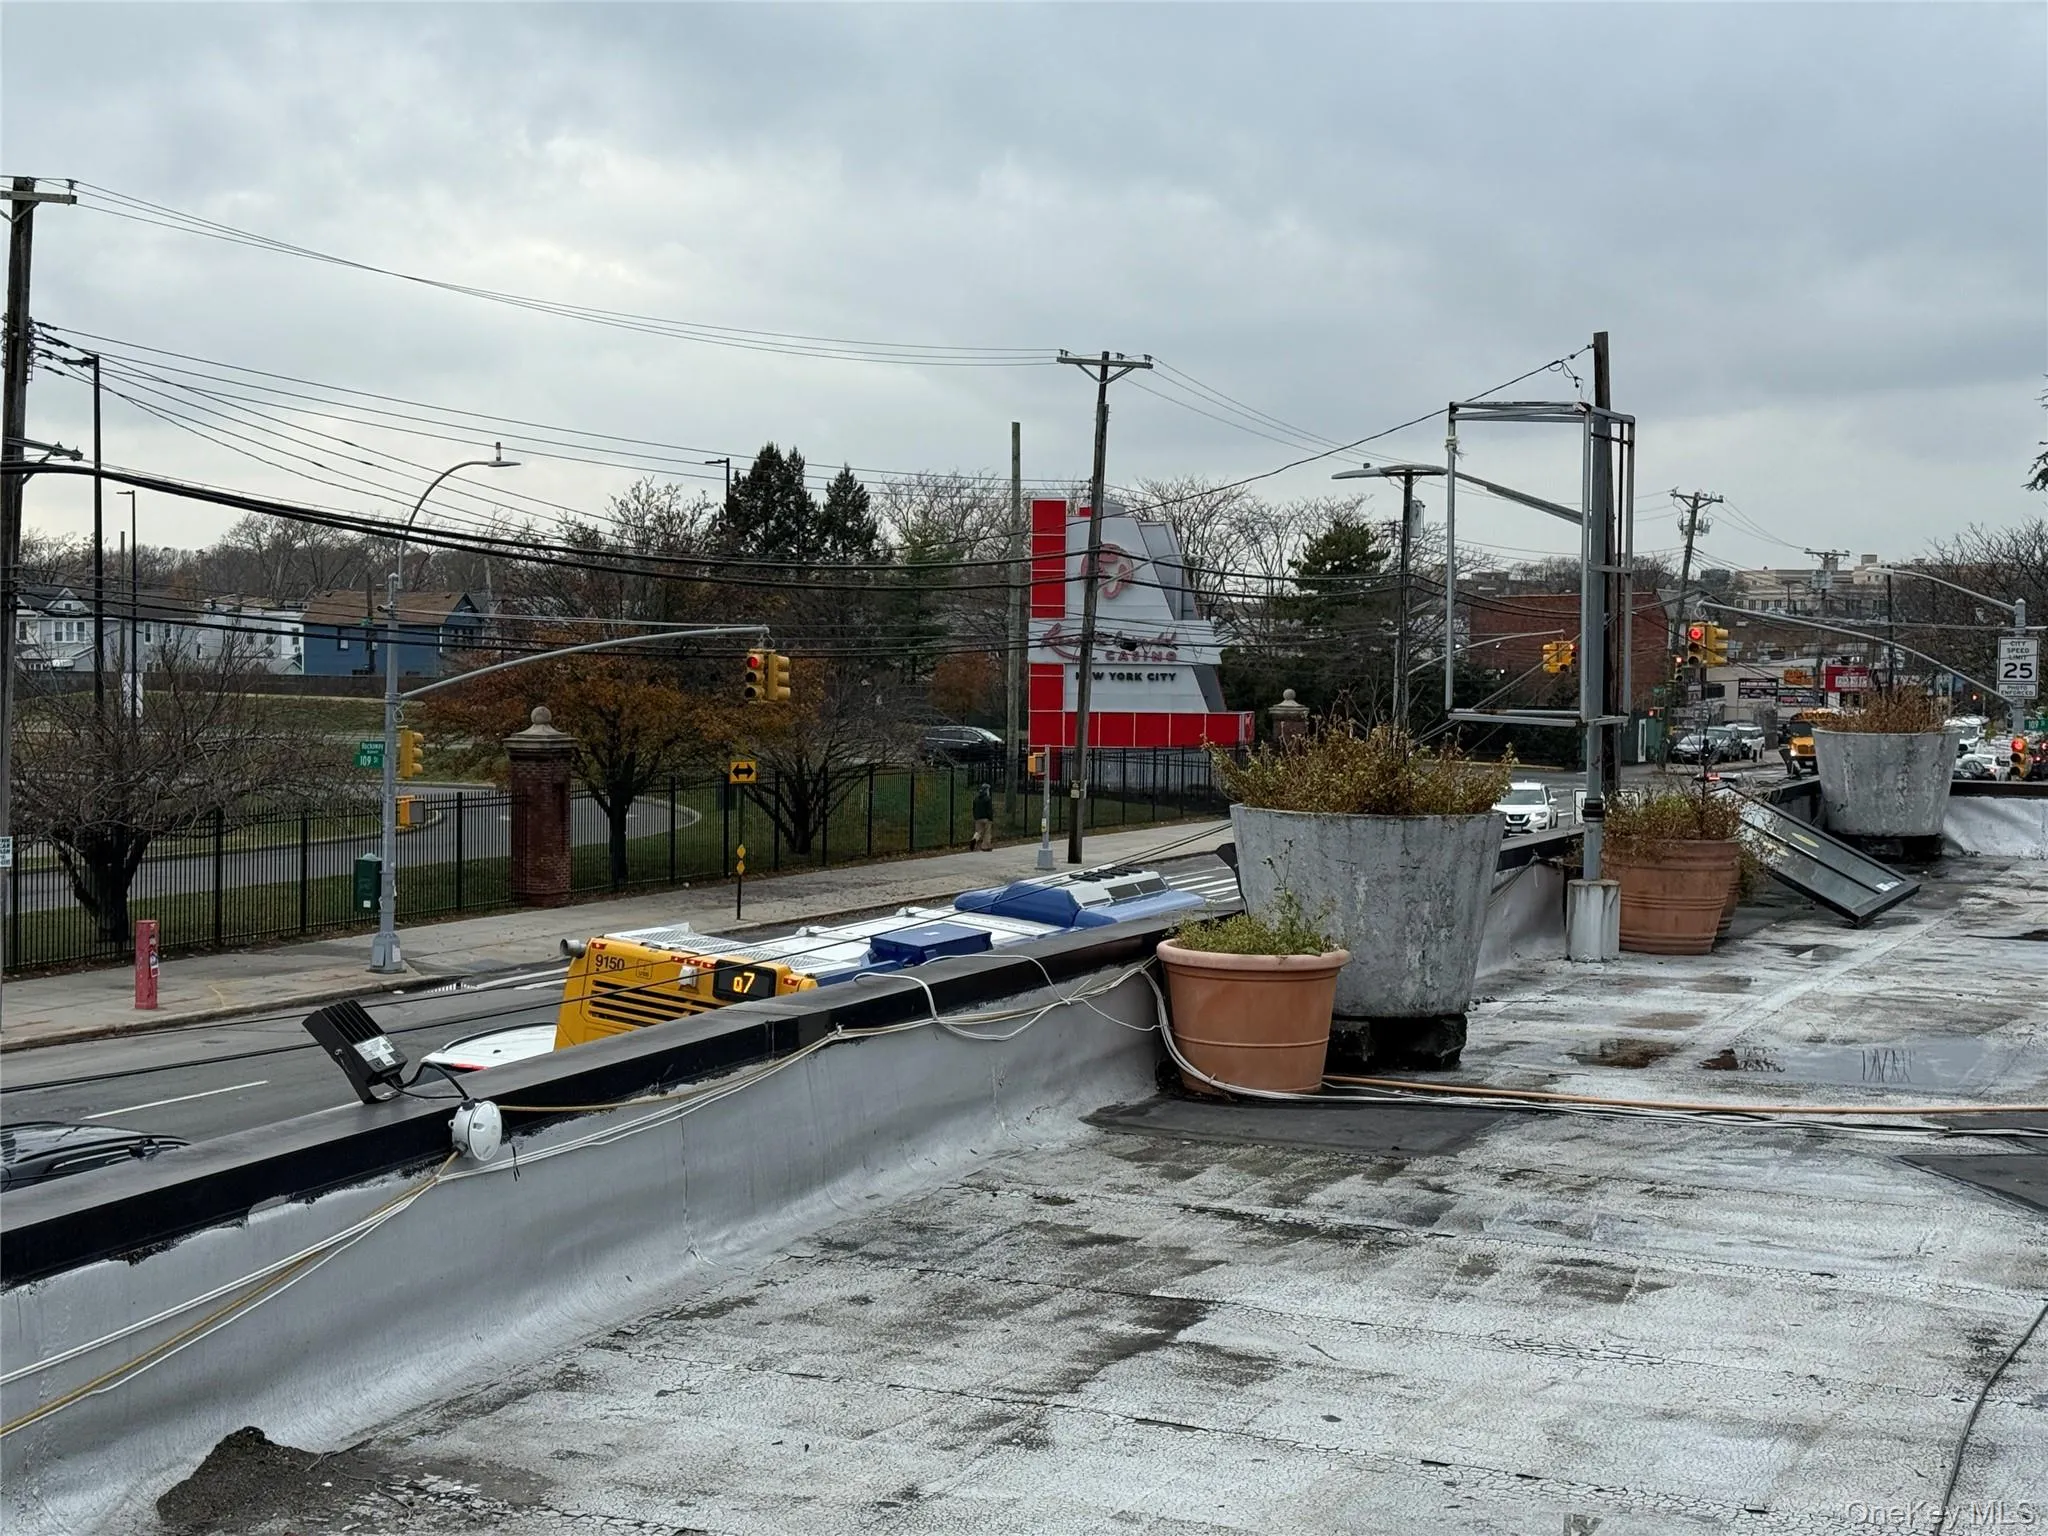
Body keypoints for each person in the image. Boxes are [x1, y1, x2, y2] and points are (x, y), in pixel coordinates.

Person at [971, 781, 995, 850]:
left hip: (978, 818)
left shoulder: (976, 799)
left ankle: (974, 839)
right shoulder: (987, 799)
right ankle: (985, 846)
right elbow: (989, 810)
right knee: (987, 832)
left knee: (978, 831)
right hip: (986, 818)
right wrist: (991, 818)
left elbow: (974, 808)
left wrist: (975, 816)